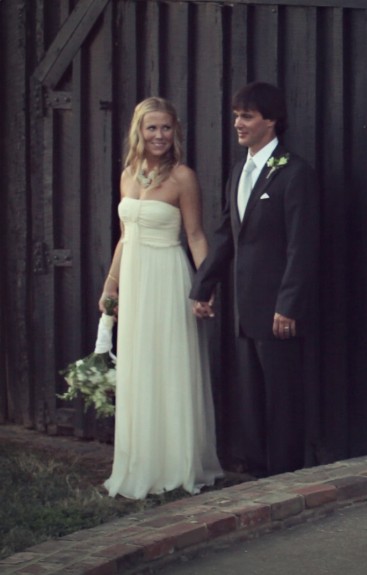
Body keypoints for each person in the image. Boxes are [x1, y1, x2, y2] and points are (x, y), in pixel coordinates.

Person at [191, 81, 321, 477]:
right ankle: (257, 475)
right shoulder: (239, 172)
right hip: (244, 309)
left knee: (282, 400)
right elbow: (227, 234)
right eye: (235, 116)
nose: (238, 124)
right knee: (251, 399)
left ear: (272, 120)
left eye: (246, 116)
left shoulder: (295, 172)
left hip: (278, 310)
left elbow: (303, 246)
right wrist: (203, 286)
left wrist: (288, 305)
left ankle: (284, 477)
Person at [100, 97, 223, 499]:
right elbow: (124, 236)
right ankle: (142, 462)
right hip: (135, 279)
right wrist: (111, 284)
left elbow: (196, 236)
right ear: (139, 131)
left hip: (169, 278)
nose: (159, 136)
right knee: (140, 368)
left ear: (176, 132)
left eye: (166, 128)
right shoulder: (127, 175)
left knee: (170, 365)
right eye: (151, 128)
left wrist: (205, 286)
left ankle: (177, 464)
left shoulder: (183, 177)